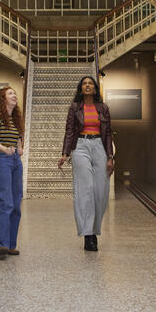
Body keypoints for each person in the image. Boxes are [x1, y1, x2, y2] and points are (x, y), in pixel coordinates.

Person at [58, 75, 114, 251]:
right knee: (86, 189)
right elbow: (69, 131)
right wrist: (65, 153)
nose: (87, 85)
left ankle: (95, 229)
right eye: (84, 83)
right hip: (80, 146)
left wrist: (110, 157)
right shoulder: (75, 108)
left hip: (99, 147)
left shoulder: (103, 108)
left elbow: (108, 133)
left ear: (95, 88)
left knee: (101, 191)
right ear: (80, 88)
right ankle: (88, 235)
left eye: (90, 83)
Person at [0, 86, 24, 259]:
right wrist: (5, 150)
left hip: (16, 161)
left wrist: (19, 148)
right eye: (10, 94)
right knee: (4, 202)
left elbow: (17, 139)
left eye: (15, 93)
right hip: (2, 159)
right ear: (2, 98)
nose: (14, 96)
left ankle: (10, 245)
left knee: (16, 204)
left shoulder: (15, 119)